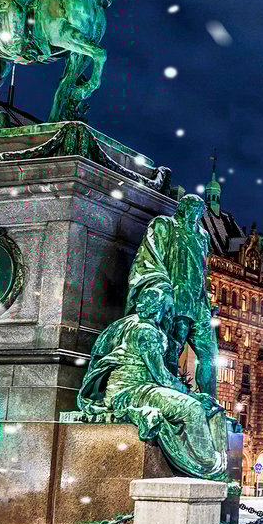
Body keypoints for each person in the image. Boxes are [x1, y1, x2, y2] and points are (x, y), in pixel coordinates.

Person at [77, 286, 227, 480]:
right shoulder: (147, 332)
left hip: (139, 388)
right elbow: (162, 377)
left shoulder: (133, 324)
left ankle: (208, 460)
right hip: (130, 391)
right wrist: (192, 394)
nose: (170, 313)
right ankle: (210, 465)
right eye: (167, 308)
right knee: (193, 408)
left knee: (207, 408)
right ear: (160, 308)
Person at [125, 194, 219, 399]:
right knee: (172, 346)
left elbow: (204, 272)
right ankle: (167, 393)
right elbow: (150, 259)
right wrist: (161, 290)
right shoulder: (164, 225)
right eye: (191, 209)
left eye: (198, 211)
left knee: (210, 354)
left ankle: (211, 401)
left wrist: (208, 298)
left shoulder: (203, 236)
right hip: (177, 297)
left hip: (199, 302)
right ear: (182, 208)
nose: (194, 214)